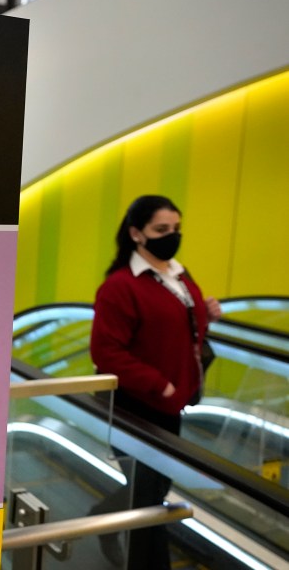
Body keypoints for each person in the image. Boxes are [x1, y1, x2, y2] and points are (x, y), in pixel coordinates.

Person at [88, 195, 221, 569]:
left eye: (176, 229)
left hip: (170, 402)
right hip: (135, 406)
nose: (171, 236)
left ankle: (102, 517)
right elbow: (106, 352)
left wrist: (206, 313)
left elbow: (180, 328)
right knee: (148, 501)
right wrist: (159, 384)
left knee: (154, 488)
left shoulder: (179, 274)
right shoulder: (120, 286)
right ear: (136, 234)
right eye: (161, 230)